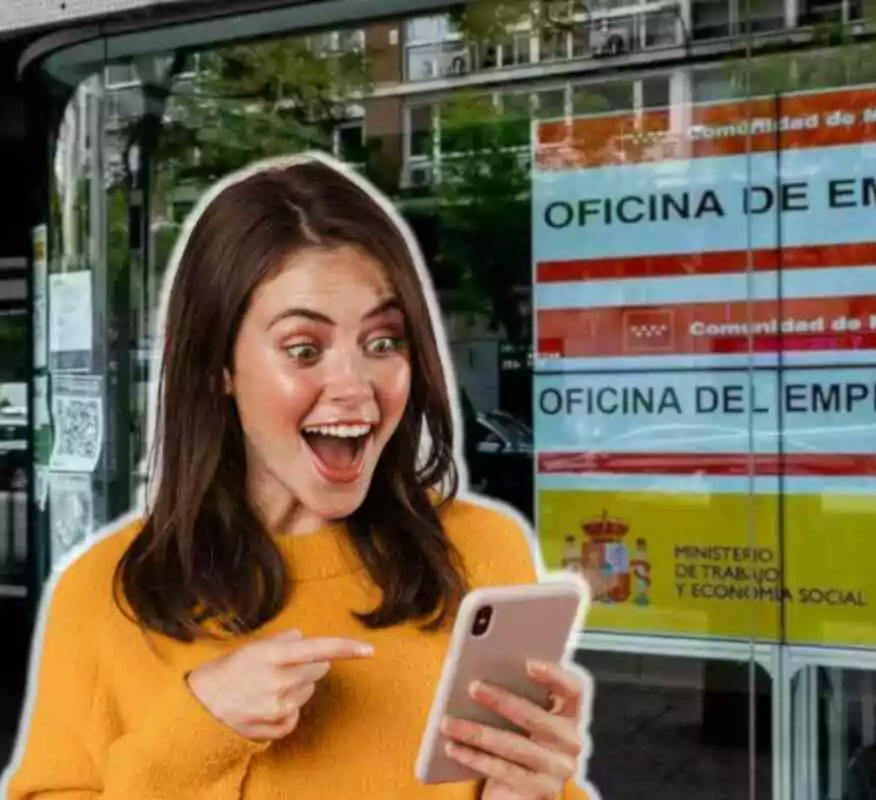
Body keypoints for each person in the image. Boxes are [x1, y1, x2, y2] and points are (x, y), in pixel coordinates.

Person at [1, 153, 596, 800]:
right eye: (304, 349)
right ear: (217, 368)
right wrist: (200, 729)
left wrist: (537, 791)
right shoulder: (104, 595)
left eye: (383, 341)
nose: (355, 386)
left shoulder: (482, 552)